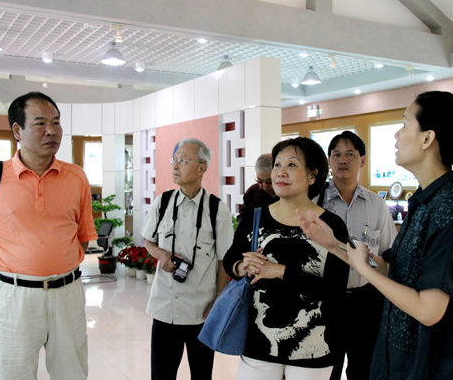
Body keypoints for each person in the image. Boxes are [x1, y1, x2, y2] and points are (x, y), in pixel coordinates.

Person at [298, 91, 453, 380]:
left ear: (427, 138)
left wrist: (366, 269)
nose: (396, 134)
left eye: (404, 124)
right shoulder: (426, 201)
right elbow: (391, 268)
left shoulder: (451, 207)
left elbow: (429, 310)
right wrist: (333, 245)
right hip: (401, 360)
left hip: (432, 366)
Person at [0, 92, 98, 380]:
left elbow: (83, 237)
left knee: (72, 373)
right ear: (17, 131)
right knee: (15, 374)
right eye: (40, 123)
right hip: (12, 297)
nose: (51, 131)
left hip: (67, 294)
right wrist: (0, 283)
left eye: (56, 123)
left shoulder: (76, 177)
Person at [223, 137, 349, 380]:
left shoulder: (331, 225)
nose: (280, 172)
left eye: (291, 165)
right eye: (277, 165)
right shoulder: (255, 218)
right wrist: (241, 266)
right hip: (258, 343)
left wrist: (280, 271)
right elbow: (230, 259)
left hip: (314, 347)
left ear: (312, 175)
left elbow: (335, 290)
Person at [141, 138, 234, 380]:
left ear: (201, 168)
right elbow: (148, 242)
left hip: (201, 312)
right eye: (175, 159)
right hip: (165, 307)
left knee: (201, 375)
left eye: (183, 160)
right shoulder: (163, 202)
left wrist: (218, 300)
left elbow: (224, 260)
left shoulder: (217, 209)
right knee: (161, 375)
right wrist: (162, 254)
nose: (175, 165)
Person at [317, 131, 396, 380]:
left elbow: (388, 252)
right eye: (337, 154)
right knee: (326, 369)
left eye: (350, 154)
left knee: (364, 370)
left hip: (367, 303)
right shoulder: (315, 203)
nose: (343, 160)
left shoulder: (376, 205)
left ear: (362, 161)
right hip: (326, 301)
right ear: (329, 161)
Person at [238, 153, 279, 221]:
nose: (264, 186)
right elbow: (242, 217)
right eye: (260, 181)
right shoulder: (252, 192)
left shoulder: (288, 193)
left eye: (269, 182)